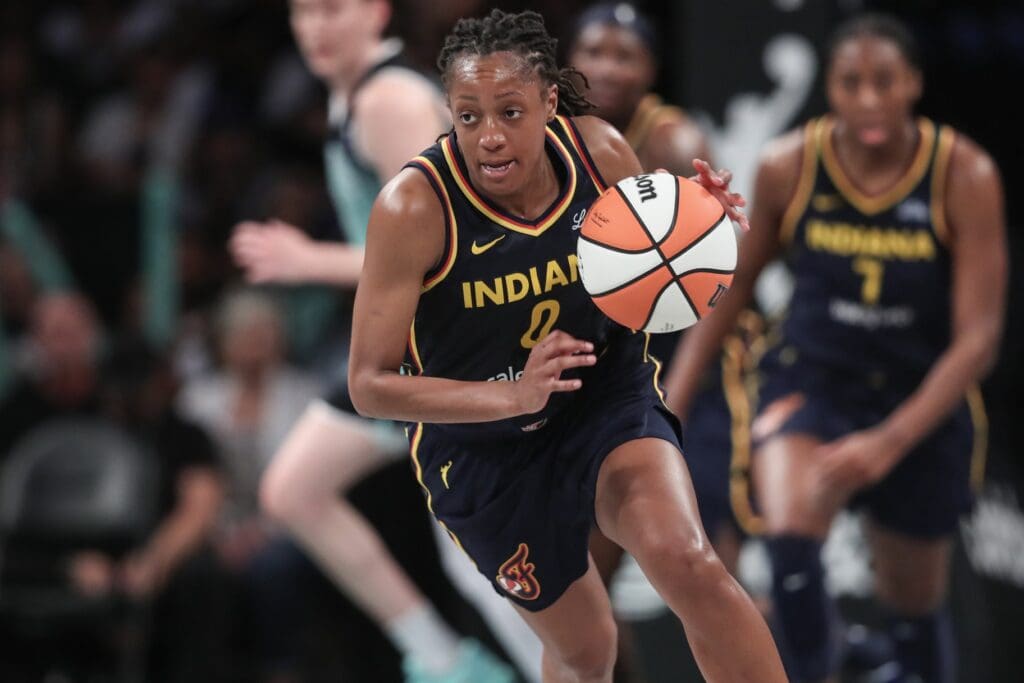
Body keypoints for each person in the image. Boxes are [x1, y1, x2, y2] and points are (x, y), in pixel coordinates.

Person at [348, 9, 786, 683]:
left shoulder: (600, 151)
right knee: (586, 649)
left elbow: (653, 282)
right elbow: (369, 384)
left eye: (511, 112)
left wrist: (698, 236)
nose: (490, 138)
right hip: (484, 449)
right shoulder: (413, 207)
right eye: (469, 117)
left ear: (550, 101)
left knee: (688, 560)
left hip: (600, 397)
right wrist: (511, 394)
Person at [666, 13, 1007, 683]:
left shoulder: (963, 173)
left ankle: (887, 660)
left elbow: (980, 339)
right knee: (790, 533)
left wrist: (888, 441)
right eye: (851, 83)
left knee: (914, 607)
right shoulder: (788, 163)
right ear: (831, 88)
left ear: (913, 82)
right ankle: (824, 666)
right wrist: (671, 399)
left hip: (919, 398)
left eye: (885, 81)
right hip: (814, 382)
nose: (869, 99)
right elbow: (732, 290)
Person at [229, 1, 525, 680]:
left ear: (376, 10)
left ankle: (515, 666)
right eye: (303, 11)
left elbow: (443, 250)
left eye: (333, 8)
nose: (315, 27)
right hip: (411, 351)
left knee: (493, 569)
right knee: (295, 490)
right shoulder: (355, 98)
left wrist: (308, 261)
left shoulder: (388, 100)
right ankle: (446, 659)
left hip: (457, 353)